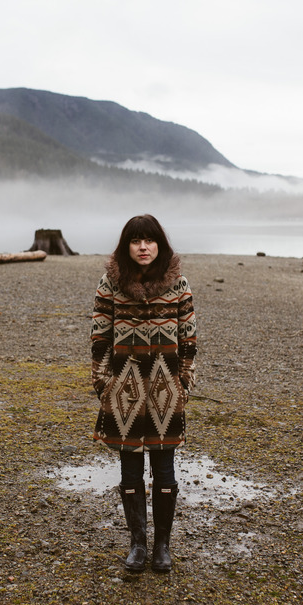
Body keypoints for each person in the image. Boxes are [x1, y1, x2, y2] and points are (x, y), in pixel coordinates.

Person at [90, 214, 198, 573]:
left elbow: (188, 339)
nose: (143, 247)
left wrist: (184, 382)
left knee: (164, 469)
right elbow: (100, 338)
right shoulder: (110, 284)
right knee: (130, 468)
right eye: (135, 240)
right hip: (124, 390)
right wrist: (103, 383)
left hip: (166, 391)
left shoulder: (179, 284)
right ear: (127, 246)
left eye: (149, 240)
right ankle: (138, 544)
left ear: (159, 244)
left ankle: (162, 546)